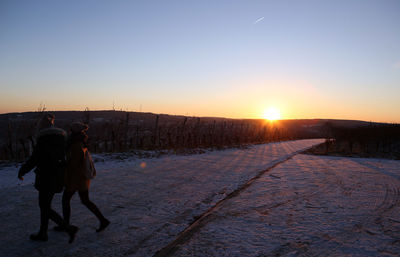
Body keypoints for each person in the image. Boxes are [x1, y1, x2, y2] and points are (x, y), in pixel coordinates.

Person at [18, 113, 78, 243]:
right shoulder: (61, 138)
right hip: (58, 176)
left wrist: (22, 171)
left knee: (44, 207)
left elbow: (34, 159)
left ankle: (67, 228)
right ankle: (43, 233)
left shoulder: (43, 140)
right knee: (45, 205)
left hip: (46, 177)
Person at [56, 122, 109, 233]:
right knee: (85, 200)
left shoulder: (76, 145)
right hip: (82, 178)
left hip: (76, 178)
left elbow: (73, 164)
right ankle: (103, 220)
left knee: (66, 200)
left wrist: (63, 169)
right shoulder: (81, 142)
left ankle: (66, 225)